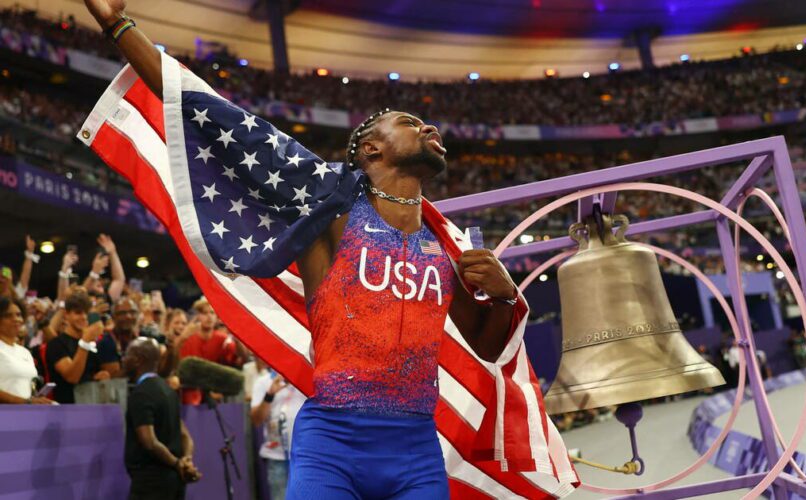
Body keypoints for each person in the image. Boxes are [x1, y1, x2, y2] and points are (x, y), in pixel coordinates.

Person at [80, 1, 571, 496]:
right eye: (410, 122)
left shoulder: (444, 247)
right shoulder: (329, 206)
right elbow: (211, 113)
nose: (430, 128)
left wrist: (506, 296)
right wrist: (117, 25)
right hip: (333, 441)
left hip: (417, 448)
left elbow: (485, 346)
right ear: (371, 149)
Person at [123, 337, 201, 500]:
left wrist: (177, 463)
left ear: (138, 360)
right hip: (175, 483)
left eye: (127, 355)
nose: (124, 360)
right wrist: (186, 461)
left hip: (150, 484)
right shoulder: (168, 391)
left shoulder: (141, 394)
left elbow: (149, 441)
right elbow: (186, 436)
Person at [45, 288, 110, 403]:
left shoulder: (92, 344)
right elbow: (72, 377)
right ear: (66, 315)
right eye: (78, 313)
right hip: (65, 410)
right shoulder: (56, 345)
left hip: (90, 407)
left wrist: (99, 377)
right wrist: (84, 342)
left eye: (86, 313)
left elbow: (90, 375)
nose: (84, 317)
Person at [251, 367, 306, 500]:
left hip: (307, 457)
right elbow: (256, 420)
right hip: (277, 457)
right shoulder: (263, 382)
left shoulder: (308, 380)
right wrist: (269, 394)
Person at [0, 296, 51, 404]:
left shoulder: (25, 352)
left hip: (26, 415)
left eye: (18, 315)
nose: (16, 319)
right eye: (8, 315)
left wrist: (36, 399)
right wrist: (25, 402)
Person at [98, 297, 141, 376]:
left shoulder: (143, 338)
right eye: (122, 313)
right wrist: (131, 365)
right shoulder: (106, 342)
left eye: (132, 312)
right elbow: (114, 378)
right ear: (113, 317)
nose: (128, 316)